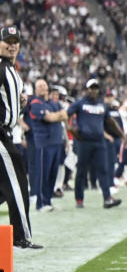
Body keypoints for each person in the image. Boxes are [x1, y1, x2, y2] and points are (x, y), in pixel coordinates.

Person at [0, 25, 42, 248]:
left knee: (4, 187)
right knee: (17, 184)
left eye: (15, 41)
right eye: (7, 41)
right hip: (1, 136)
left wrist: (19, 104)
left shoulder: (10, 69)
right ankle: (19, 237)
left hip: (7, 132)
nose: (12, 45)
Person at [68, 79, 125, 209]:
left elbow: (110, 122)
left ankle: (107, 198)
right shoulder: (80, 103)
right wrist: (70, 128)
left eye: (96, 88)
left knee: (103, 170)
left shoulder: (102, 104)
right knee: (81, 171)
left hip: (99, 142)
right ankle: (79, 199)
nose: (93, 90)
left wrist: (123, 136)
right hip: (84, 142)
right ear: (86, 89)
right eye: (91, 88)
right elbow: (67, 114)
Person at [26, 79, 68, 212]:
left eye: (44, 86)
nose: (43, 88)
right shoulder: (35, 103)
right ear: (35, 89)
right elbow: (49, 118)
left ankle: (48, 201)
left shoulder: (51, 103)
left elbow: (65, 115)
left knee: (52, 174)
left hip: (56, 142)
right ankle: (41, 203)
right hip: (44, 143)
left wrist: (55, 115)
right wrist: (56, 116)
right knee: (43, 174)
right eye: (40, 86)